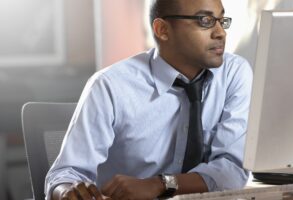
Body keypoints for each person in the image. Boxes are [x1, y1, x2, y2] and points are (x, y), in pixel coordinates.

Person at [45, 0, 253, 199]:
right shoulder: (110, 86)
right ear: (162, 30)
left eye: (221, 20)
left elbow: (231, 171)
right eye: (204, 21)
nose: (220, 33)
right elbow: (66, 174)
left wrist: (158, 184)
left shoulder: (234, 73)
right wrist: (67, 192)